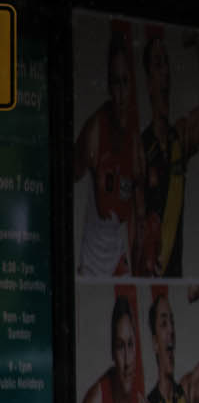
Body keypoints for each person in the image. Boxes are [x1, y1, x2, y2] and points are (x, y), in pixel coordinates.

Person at [137, 28, 199, 279]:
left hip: (176, 274)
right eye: (157, 64)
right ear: (148, 82)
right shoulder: (141, 147)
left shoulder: (179, 139)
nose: (165, 71)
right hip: (153, 274)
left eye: (166, 63)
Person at [73, 24, 139, 277]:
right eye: (115, 83)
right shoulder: (96, 129)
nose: (121, 93)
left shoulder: (134, 137)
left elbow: (136, 207)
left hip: (117, 255)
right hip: (92, 259)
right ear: (109, 87)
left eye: (125, 82)